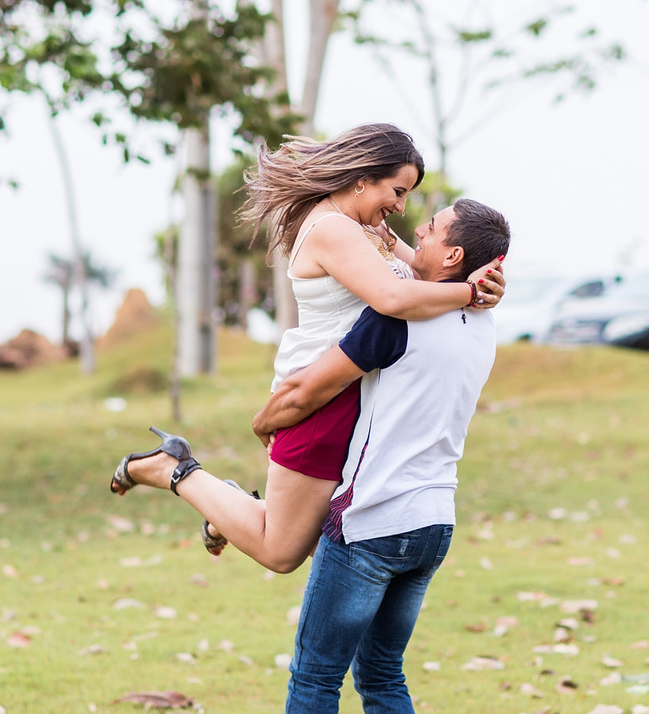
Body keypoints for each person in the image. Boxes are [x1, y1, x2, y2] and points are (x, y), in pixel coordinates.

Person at [114, 197, 510, 713]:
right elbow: (415, 269)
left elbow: (307, 392)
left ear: (454, 256)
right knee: (384, 676)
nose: (417, 230)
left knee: (315, 680)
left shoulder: (394, 321)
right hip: (434, 523)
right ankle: (230, 507)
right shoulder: (483, 325)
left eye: (431, 229)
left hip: (373, 519)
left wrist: (264, 421)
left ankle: (189, 478)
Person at [110, 124, 504, 574]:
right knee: (283, 552)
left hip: (356, 397)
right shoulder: (333, 229)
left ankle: (231, 507)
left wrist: (486, 284)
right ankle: (174, 470)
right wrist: (470, 295)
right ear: (363, 178)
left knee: (343, 534)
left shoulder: (367, 229)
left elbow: (432, 273)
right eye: (397, 191)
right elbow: (394, 299)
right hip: (321, 396)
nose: (400, 206)